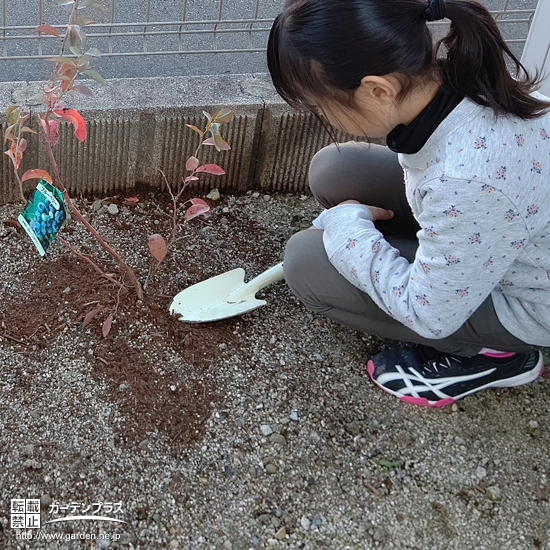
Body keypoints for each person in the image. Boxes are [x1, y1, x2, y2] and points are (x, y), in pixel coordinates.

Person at [267, 0, 550, 406]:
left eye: (320, 106)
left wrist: (350, 230)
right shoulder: (460, 74)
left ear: (378, 89)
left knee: (305, 264)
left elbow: (429, 314)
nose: (323, 117)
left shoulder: (465, 180)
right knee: (336, 170)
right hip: (498, 229)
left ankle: (493, 355)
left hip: (528, 301)